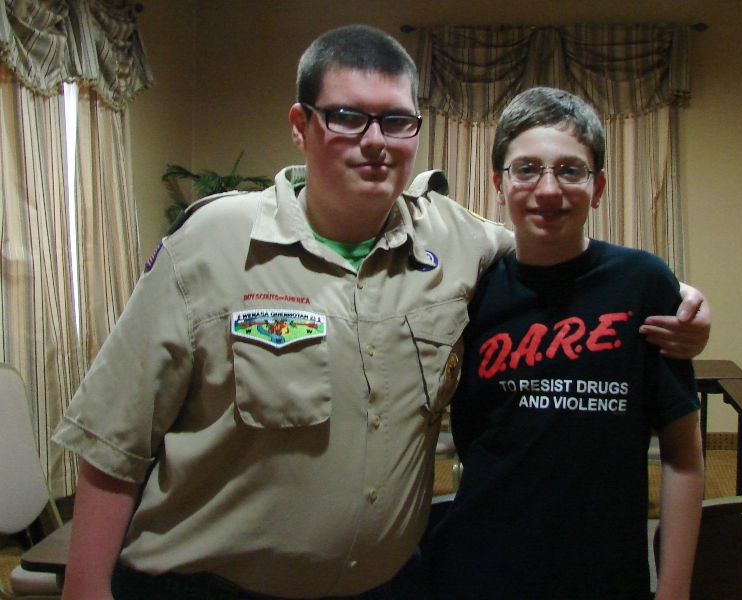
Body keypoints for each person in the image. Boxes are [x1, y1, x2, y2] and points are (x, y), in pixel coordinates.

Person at [53, 27, 708, 600]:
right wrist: (84, 586)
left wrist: (675, 298)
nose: (375, 142)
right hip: (208, 588)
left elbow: (559, 255)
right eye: (347, 117)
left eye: (396, 121)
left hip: (385, 587)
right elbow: (116, 437)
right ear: (301, 124)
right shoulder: (213, 241)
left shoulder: (454, 240)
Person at [425, 87, 705, 600]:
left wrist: (674, 588)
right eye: (527, 169)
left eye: (571, 170)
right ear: (499, 184)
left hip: (605, 572)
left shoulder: (643, 284)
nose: (548, 190)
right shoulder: (468, 289)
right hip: (480, 567)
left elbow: (683, 455)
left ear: (598, 187)